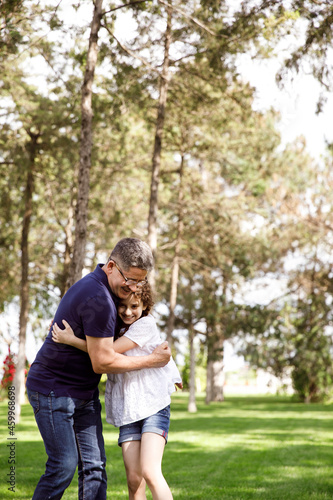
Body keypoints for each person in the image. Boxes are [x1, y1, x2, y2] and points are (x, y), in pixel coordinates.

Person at [26, 238, 171, 500]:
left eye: (140, 282)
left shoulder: (112, 295)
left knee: (94, 468)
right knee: (63, 466)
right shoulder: (99, 298)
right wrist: (151, 361)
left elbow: (118, 348)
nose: (134, 287)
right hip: (53, 390)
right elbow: (102, 361)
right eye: (131, 280)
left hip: (84, 392)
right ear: (112, 266)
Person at [52, 281, 182, 500]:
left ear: (145, 306)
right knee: (133, 479)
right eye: (123, 306)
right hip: (129, 410)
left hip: (153, 407)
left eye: (135, 306)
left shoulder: (146, 325)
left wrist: (71, 340)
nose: (128, 312)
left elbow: (107, 351)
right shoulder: (113, 327)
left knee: (150, 471)